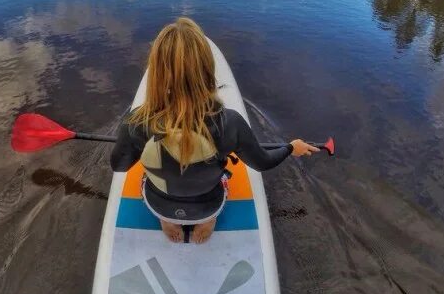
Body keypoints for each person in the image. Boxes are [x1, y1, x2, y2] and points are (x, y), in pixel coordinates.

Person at [110, 17, 319, 243]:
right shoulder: (229, 123)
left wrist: (137, 143)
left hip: (160, 204)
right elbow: (263, 163)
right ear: (207, 70)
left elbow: (119, 166)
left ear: (158, 74)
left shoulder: (136, 122)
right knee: (223, 179)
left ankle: (168, 221)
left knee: (147, 176)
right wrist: (290, 148)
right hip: (208, 205)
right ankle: (207, 222)